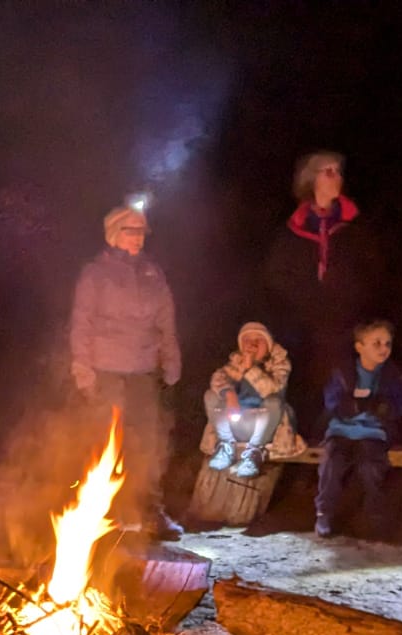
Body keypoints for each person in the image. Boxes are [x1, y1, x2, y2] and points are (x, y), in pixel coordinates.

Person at [69, 198, 183, 536]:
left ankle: (148, 512)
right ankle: (105, 513)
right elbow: (82, 322)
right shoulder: (95, 273)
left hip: (143, 368)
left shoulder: (153, 273)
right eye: (130, 231)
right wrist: (82, 368)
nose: (138, 237)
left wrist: (171, 358)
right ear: (113, 234)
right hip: (106, 368)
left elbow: (166, 320)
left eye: (141, 232)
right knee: (106, 442)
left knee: (147, 443)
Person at [264, 150, 380, 428]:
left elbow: (372, 269)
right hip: (306, 323)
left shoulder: (354, 225)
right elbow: (277, 274)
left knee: (345, 384)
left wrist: (350, 296)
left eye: (338, 171)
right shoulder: (295, 228)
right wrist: (307, 299)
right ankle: (304, 452)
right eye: (328, 171)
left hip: (347, 321)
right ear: (311, 179)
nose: (336, 177)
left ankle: (346, 444)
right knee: (307, 387)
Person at [315, 320, 402, 537]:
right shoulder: (344, 371)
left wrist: (384, 408)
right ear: (360, 347)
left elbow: (400, 404)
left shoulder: (391, 374)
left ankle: (375, 515)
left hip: (374, 431)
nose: (383, 349)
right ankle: (324, 513)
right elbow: (331, 400)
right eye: (376, 343)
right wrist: (350, 405)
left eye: (387, 343)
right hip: (341, 430)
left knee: (371, 467)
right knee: (333, 463)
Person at [198, 322, 301, 479]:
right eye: (247, 340)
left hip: (265, 427)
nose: (252, 345)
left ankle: (254, 452)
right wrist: (230, 394)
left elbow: (273, 389)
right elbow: (218, 379)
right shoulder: (235, 363)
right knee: (210, 396)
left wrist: (250, 369)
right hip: (238, 422)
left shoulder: (279, 364)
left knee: (274, 403)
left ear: (268, 344)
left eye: (258, 340)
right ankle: (227, 445)